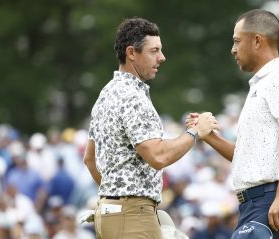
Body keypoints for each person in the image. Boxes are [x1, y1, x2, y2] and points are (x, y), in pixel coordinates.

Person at [83, 17, 218, 239]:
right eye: (154, 51)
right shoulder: (132, 97)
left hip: (111, 213)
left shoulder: (106, 93)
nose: (162, 57)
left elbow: (90, 158)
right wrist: (195, 132)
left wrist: (114, 198)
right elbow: (157, 155)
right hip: (132, 215)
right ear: (131, 53)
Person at [187, 9, 279, 238]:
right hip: (256, 204)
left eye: (237, 41)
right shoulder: (260, 86)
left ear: (257, 40)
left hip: (273, 201)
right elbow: (245, 158)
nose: (233, 49)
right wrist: (209, 136)